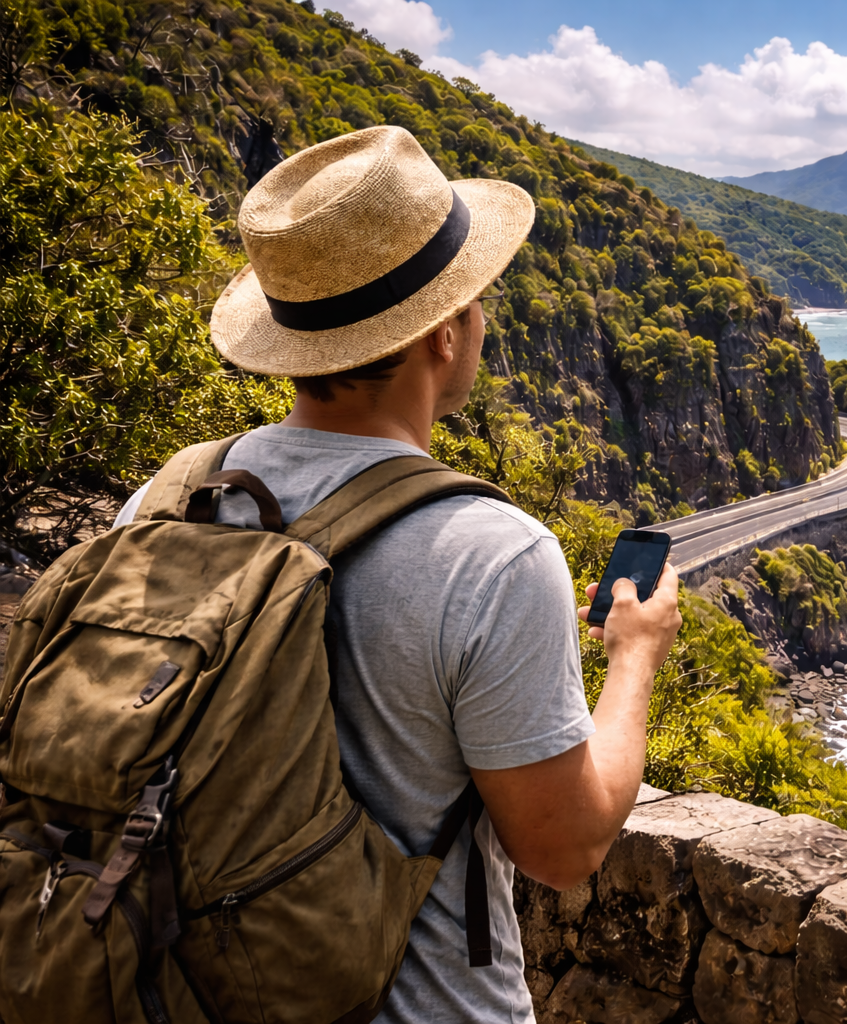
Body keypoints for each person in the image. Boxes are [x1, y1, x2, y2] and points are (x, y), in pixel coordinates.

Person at [113, 125, 682, 1023]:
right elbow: (564, 848)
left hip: (170, 989)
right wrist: (635, 655)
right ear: (447, 333)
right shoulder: (491, 552)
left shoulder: (170, 494)